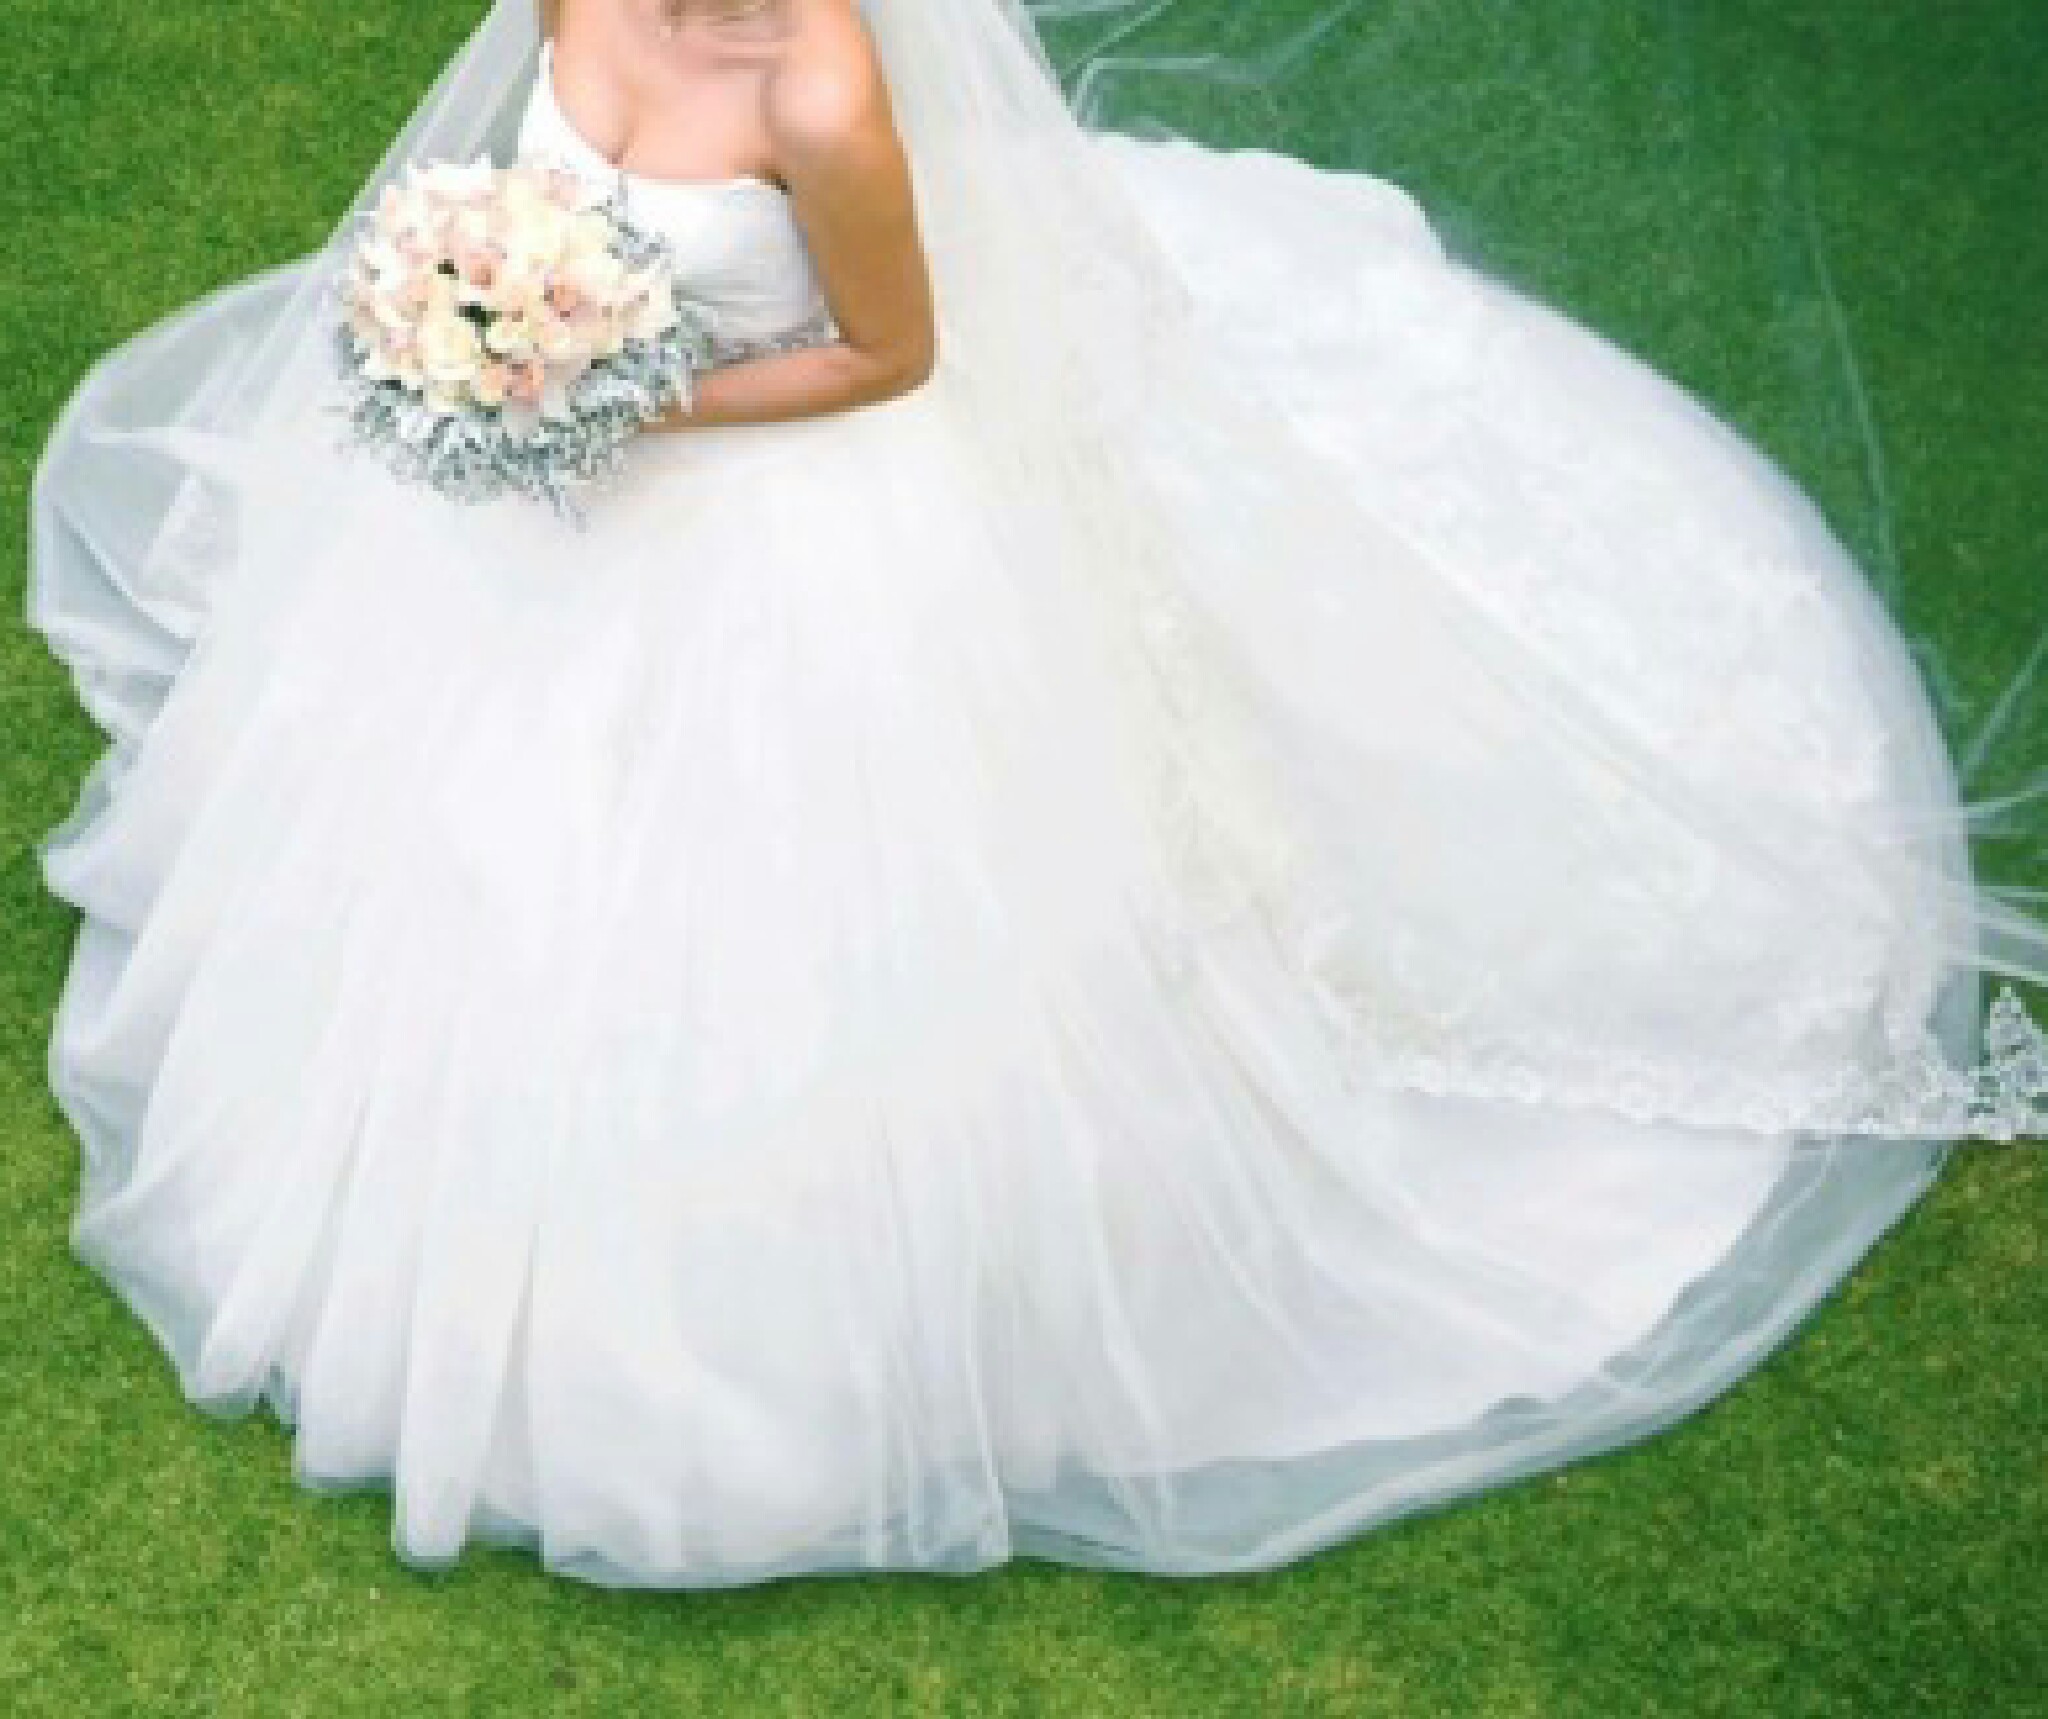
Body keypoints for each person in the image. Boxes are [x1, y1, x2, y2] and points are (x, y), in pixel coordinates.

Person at [28, 0, 2048, 1587]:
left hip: (766, 498)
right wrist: (483, 330)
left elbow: (889, 356)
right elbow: (513, 178)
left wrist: (619, 395)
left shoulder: (825, 85)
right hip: (547, 493)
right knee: (473, 854)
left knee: (807, 922)